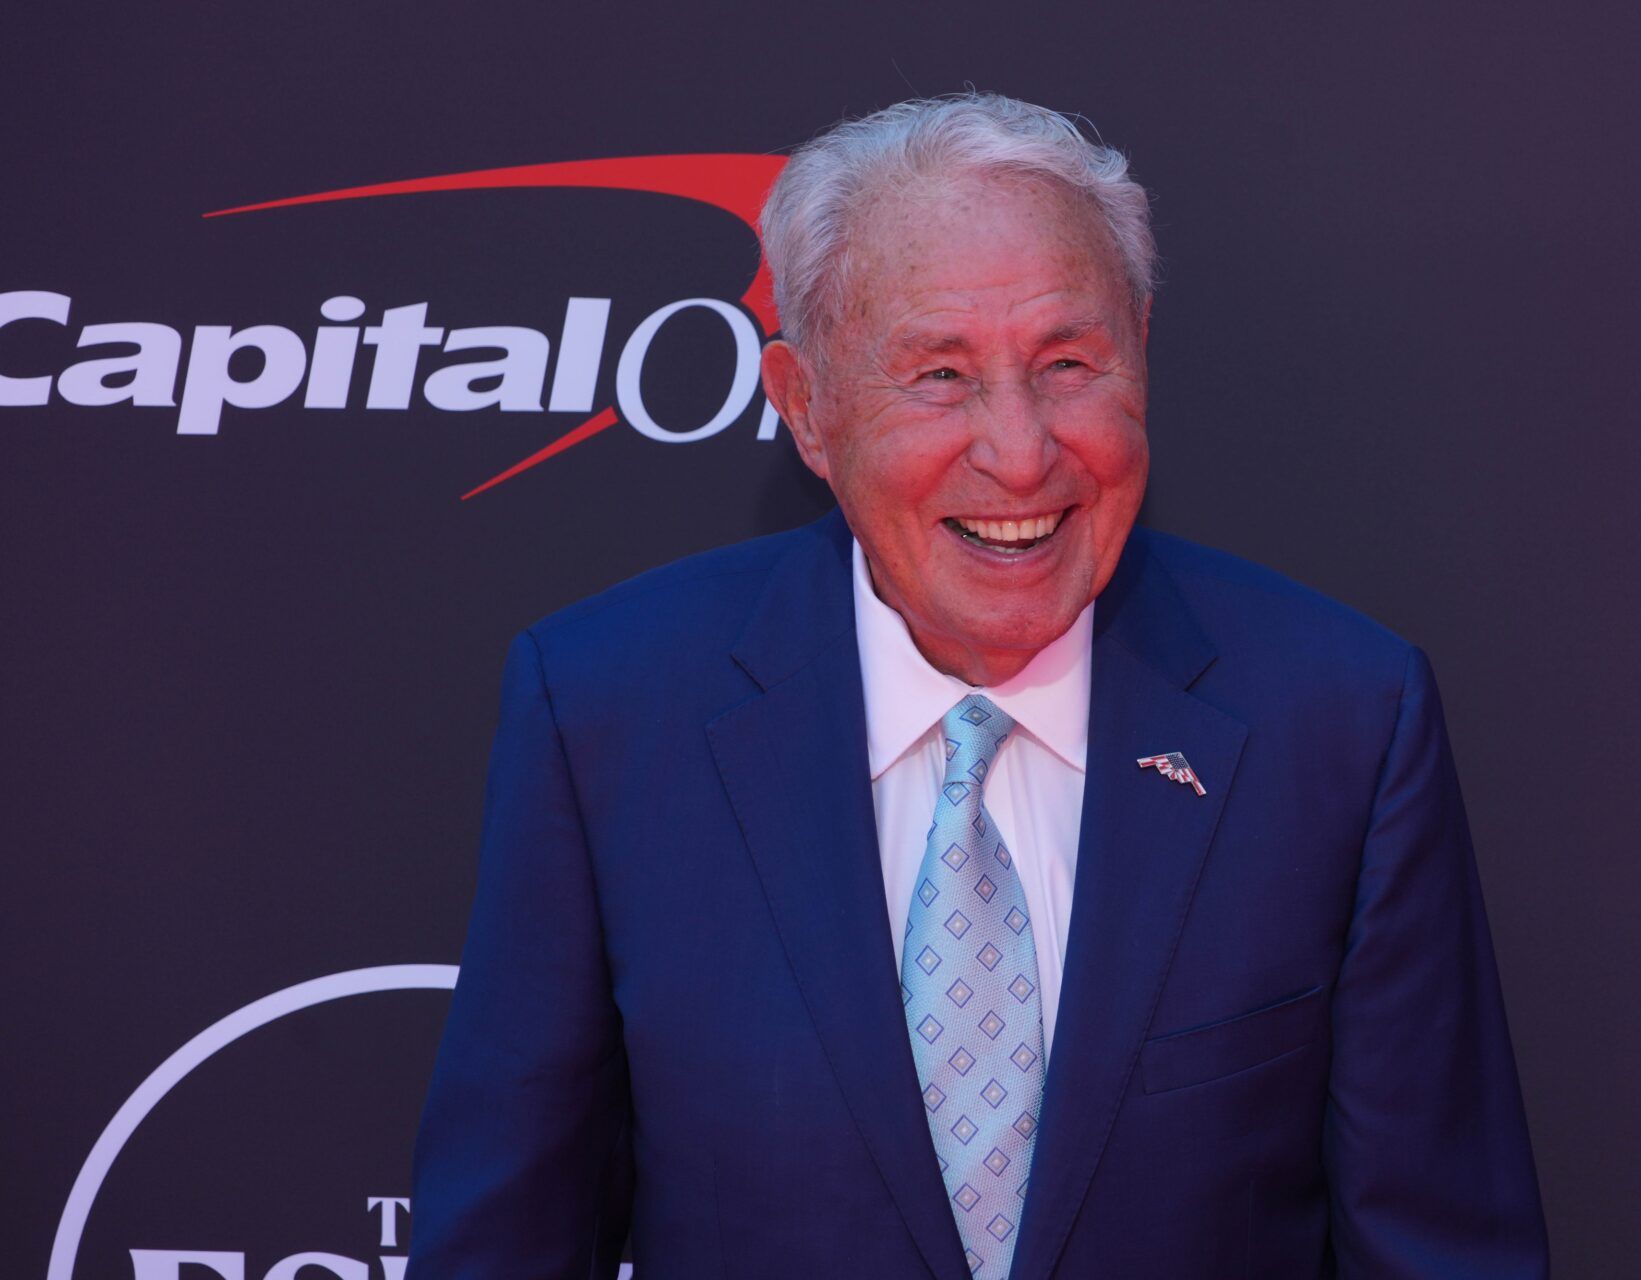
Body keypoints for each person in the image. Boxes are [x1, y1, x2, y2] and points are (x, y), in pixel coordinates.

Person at [407, 92, 1548, 1279]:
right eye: (940, 374)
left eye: (1067, 363)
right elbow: (506, 1245)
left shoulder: (1342, 722)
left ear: (1142, 353)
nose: (1019, 450)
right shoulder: (604, 714)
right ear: (806, 406)